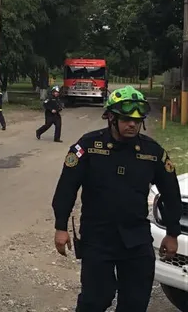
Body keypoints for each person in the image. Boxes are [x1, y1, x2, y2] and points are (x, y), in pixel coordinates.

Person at [51, 85, 182, 312]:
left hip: (136, 238)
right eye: (126, 119)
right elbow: (66, 188)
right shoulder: (88, 147)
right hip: (98, 237)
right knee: (96, 299)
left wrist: (172, 233)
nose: (132, 124)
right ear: (111, 117)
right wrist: (60, 226)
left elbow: (171, 192)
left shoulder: (152, 152)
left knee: (135, 302)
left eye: (137, 120)